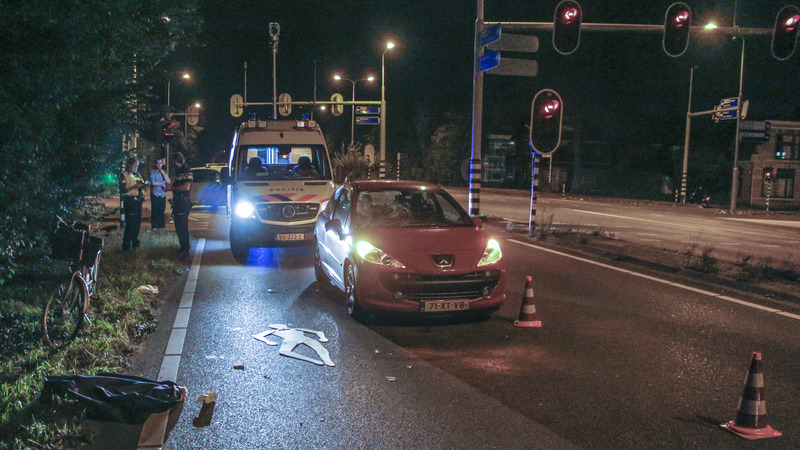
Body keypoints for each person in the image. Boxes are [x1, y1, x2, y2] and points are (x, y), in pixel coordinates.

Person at [166, 152, 193, 259]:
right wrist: (170, 186)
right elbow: (177, 184)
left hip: (183, 202)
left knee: (182, 226)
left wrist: (171, 189)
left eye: (173, 161)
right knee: (178, 226)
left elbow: (186, 187)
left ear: (176, 161)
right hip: (178, 202)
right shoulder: (179, 171)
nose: (172, 163)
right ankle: (183, 247)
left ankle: (185, 249)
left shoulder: (186, 171)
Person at [120, 157, 146, 252]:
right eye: (135, 166)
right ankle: (126, 245)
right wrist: (134, 187)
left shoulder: (137, 174)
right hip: (130, 200)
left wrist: (144, 185)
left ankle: (135, 241)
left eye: (137, 166)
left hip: (138, 200)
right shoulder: (124, 175)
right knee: (130, 223)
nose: (136, 168)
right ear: (130, 165)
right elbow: (122, 190)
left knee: (137, 223)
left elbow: (141, 184)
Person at [149, 158, 170, 231]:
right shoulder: (153, 172)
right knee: (155, 210)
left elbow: (168, 181)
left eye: (160, 163)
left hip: (162, 194)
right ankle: (154, 226)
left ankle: (161, 226)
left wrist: (163, 173)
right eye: (157, 163)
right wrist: (162, 183)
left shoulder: (164, 172)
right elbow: (153, 183)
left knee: (161, 210)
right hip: (155, 193)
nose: (159, 165)